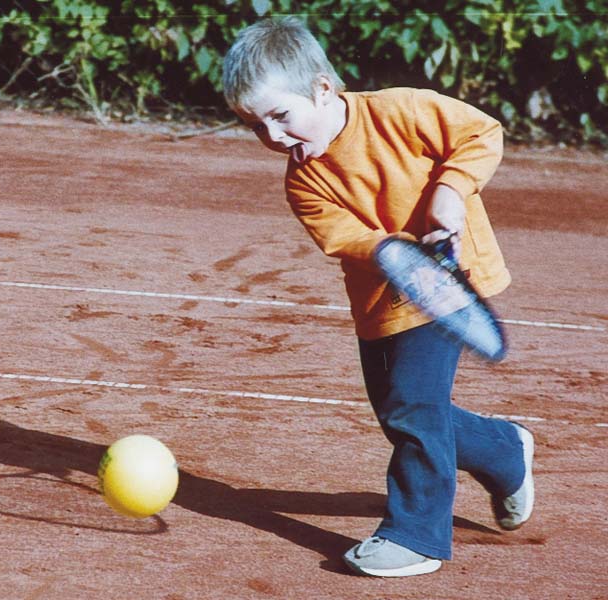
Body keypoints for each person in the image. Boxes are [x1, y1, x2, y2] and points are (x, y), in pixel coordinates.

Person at [222, 17, 535, 578]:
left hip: (451, 284)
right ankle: (504, 450)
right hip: (383, 297)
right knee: (400, 411)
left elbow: (481, 133)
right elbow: (342, 236)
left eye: (280, 115)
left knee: (414, 405)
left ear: (322, 88)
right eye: (255, 126)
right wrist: (399, 251)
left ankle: (416, 535)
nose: (272, 137)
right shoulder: (302, 179)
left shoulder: (400, 109)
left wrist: (450, 191)